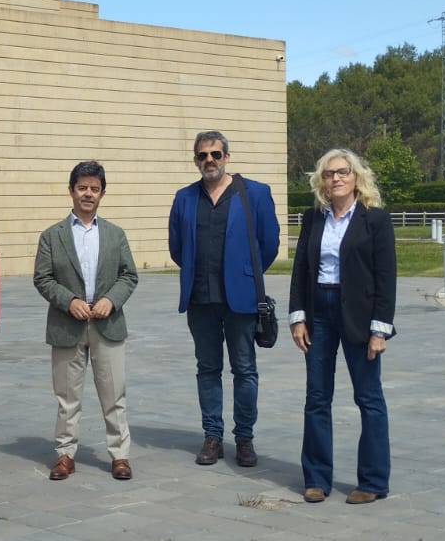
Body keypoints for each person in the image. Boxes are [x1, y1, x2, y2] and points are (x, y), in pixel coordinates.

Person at [289, 148, 397, 505]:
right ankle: (317, 478)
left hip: (360, 317)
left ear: (356, 178)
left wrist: (379, 330)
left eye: (343, 172)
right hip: (319, 310)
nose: (335, 178)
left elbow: (386, 278)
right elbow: (301, 270)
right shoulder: (313, 218)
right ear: (321, 181)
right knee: (317, 397)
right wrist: (298, 316)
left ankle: (372, 481)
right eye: (329, 173)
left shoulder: (375, 220)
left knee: (369, 398)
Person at [168, 130, 281, 468]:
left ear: (226, 157)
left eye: (216, 154)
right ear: (195, 160)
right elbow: (177, 248)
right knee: (207, 369)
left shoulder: (255, 194)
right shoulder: (185, 198)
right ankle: (212, 436)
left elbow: (269, 244)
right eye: (203, 156)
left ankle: (244, 438)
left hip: (241, 300)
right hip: (200, 298)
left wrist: (246, 272)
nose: (210, 161)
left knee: (245, 369)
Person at [33, 161, 139, 481]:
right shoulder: (52, 236)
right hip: (68, 325)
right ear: (71, 191)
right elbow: (43, 277)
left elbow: (129, 275)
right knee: (67, 398)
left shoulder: (115, 235)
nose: (88, 194)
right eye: (82, 188)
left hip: (107, 324)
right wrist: (69, 301)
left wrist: (111, 300)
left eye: (94, 189)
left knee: (114, 395)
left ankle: (119, 455)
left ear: (102, 193)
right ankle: (65, 454)